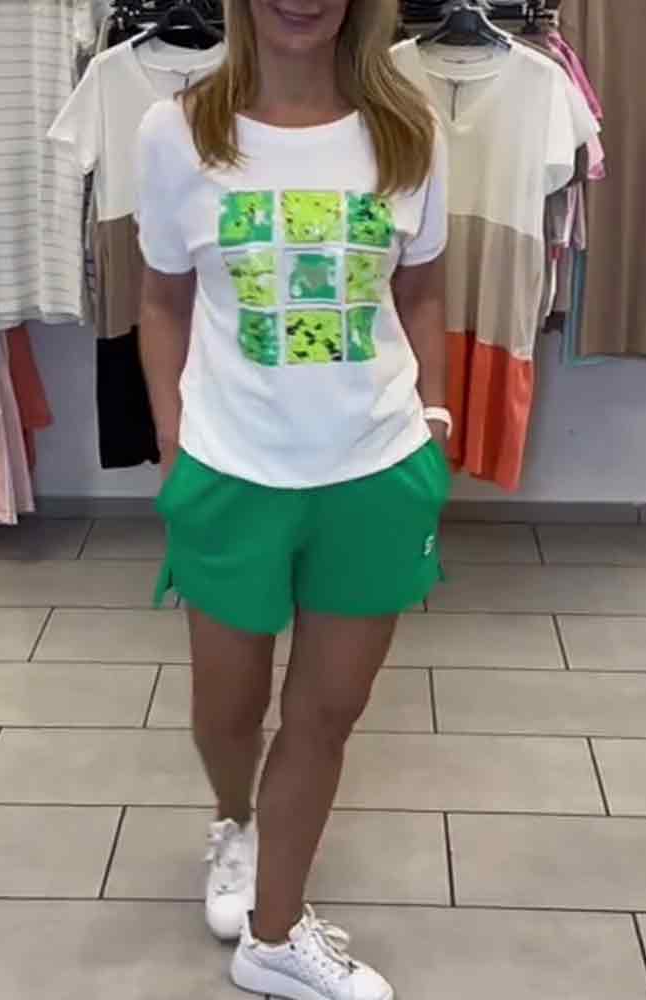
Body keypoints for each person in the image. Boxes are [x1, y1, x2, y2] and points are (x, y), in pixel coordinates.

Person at [135, 1, 450, 996]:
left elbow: (423, 288)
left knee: (324, 713)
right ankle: (233, 820)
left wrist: (434, 422)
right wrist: (173, 445)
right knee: (226, 711)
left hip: (375, 471)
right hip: (231, 473)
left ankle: (274, 935)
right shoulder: (177, 132)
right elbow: (160, 298)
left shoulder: (407, 128)